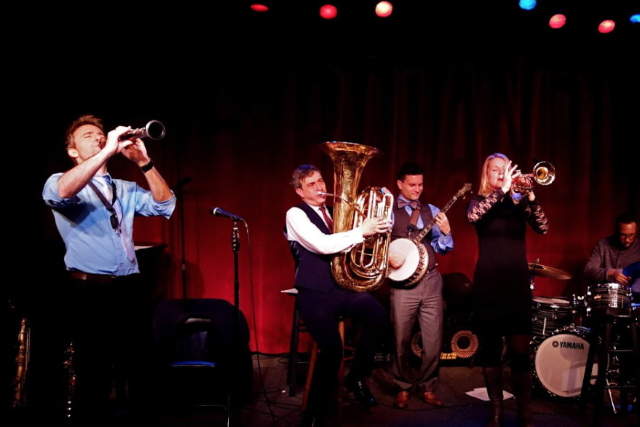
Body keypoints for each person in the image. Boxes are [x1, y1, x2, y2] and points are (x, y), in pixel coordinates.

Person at [42, 115, 176, 422]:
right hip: (89, 292)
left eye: (101, 134)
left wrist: (144, 163)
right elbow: (60, 194)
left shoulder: (124, 188)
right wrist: (106, 152)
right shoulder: (59, 180)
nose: (99, 138)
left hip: (129, 288)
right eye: (88, 136)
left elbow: (165, 205)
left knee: (141, 368)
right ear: (73, 151)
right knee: (93, 373)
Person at [285, 164, 390, 427]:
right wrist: (359, 231)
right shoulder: (295, 214)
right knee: (332, 351)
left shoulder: (336, 212)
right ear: (300, 191)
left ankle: (356, 376)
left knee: (379, 317)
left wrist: (381, 219)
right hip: (315, 292)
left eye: (321, 181)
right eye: (312, 184)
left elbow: (362, 239)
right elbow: (321, 245)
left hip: (343, 288)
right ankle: (313, 415)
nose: (321, 187)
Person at [466, 153, 549, 427]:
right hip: (488, 286)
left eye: (505, 169)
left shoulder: (519, 203)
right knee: (490, 352)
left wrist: (531, 198)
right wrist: (501, 192)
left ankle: (525, 415)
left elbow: (543, 228)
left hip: (515, 286)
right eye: (496, 170)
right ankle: (497, 413)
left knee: (520, 353)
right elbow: (473, 217)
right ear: (486, 175)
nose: (502, 174)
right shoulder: (479, 202)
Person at [386, 162, 454, 409]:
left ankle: (427, 386)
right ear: (400, 184)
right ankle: (402, 387)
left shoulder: (432, 209)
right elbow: (374, 245)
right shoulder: (389, 212)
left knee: (434, 341)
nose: (417, 189)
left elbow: (445, 248)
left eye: (421, 184)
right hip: (402, 284)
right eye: (412, 185)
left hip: (432, 281)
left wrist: (446, 232)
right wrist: (387, 258)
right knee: (400, 339)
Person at [583, 213, 639, 300]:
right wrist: (611, 272)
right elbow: (588, 270)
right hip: (603, 299)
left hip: (631, 300)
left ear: (636, 231)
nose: (627, 239)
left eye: (631, 235)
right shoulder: (602, 245)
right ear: (616, 231)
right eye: (623, 235)